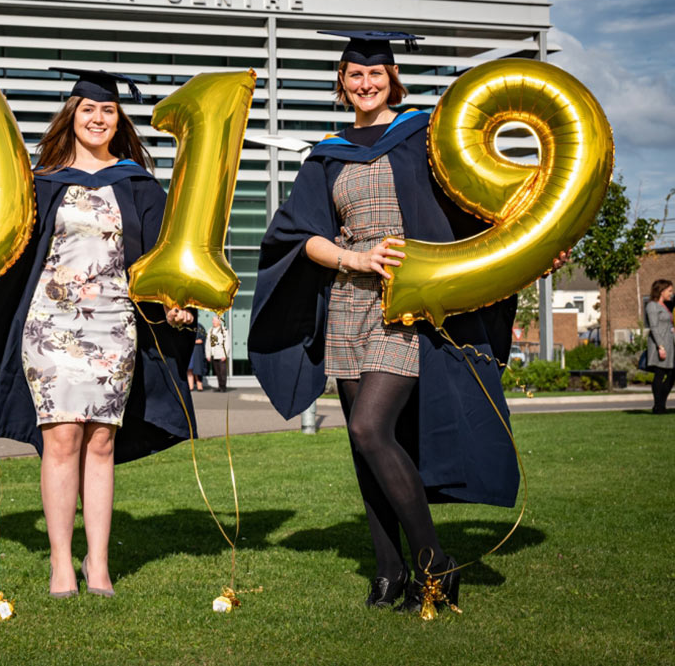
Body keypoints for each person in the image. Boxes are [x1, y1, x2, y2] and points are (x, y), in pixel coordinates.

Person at [248, 31, 524, 615]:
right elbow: (301, 237)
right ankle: (386, 570)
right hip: (349, 303)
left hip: (406, 305)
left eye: (375, 74)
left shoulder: (426, 136)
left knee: (371, 428)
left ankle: (434, 563)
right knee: (361, 443)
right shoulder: (327, 153)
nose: (365, 84)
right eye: (354, 75)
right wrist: (352, 257)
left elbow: (476, 206)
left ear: (392, 76)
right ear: (342, 82)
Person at [0, 67, 196, 599]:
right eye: (89, 109)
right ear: (72, 116)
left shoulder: (139, 184)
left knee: (101, 441)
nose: (99, 118)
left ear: (118, 121)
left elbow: (157, 259)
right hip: (50, 324)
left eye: (108, 111)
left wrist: (177, 306)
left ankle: (97, 563)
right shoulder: (41, 182)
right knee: (61, 438)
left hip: (115, 324)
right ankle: (62, 563)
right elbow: (9, 253)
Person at [644, 279, 674, 414]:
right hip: (659, 344)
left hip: (669, 342)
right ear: (662, 291)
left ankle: (660, 404)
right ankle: (658, 406)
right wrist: (660, 347)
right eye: (670, 291)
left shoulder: (665, 305)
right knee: (660, 374)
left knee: (672, 374)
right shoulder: (652, 306)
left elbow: (666, 324)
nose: (671, 294)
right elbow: (654, 327)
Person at [207, 315, 231, 392]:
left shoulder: (224, 330)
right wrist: (208, 354)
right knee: (217, 372)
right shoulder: (210, 330)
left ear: (219, 321)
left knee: (223, 372)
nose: (213, 322)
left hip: (221, 355)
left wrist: (225, 354)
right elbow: (208, 344)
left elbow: (227, 343)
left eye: (214, 320)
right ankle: (220, 386)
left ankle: (223, 387)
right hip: (214, 355)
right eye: (212, 320)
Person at [188, 322, 208, 392]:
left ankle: (199, 386)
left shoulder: (199, 326)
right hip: (189, 351)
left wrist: (193, 341)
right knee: (189, 369)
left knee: (197, 369)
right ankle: (190, 386)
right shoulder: (186, 326)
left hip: (197, 351)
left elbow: (202, 339)